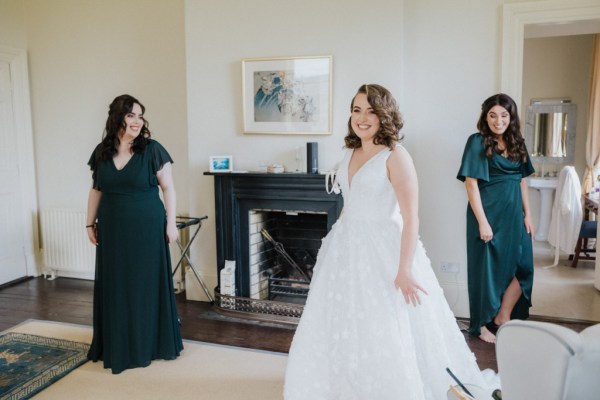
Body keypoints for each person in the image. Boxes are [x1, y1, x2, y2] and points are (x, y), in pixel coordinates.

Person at [284, 84, 494, 400]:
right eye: (356, 110)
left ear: (384, 115)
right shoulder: (349, 152)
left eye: (371, 111)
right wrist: (331, 241)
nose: (362, 118)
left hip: (382, 249)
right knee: (345, 320)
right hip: (345, 247)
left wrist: (404, 269)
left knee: (384, 325)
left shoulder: (396, 155)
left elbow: (411, 218)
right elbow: (350, 204)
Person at [86, 94, 183, 374]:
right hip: (113, 228)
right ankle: (118, 343)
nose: (137, 121)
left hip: (147, 227)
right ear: (117, 118)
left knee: (144, 284)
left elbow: (169, 189)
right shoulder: (101, 152)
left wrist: (171, 223)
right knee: (116, 284)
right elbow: (96, 190)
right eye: (131, 116)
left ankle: (149, 344)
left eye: (140, 116)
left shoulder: (152, 150)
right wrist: (89, 223)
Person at [457, 93, 535, 344]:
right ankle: (480, 325)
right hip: (487, 213)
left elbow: (522, 180)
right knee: (486, 271)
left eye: (503, 115)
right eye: (492, 115)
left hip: (514, 216)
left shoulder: (518, 144)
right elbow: (471, 184)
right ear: (485, 117)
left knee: (524, 268)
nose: (498, 120)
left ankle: (503, 315)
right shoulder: (477, 142)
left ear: (510, 118)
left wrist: (528, 215)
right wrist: (482, 221)